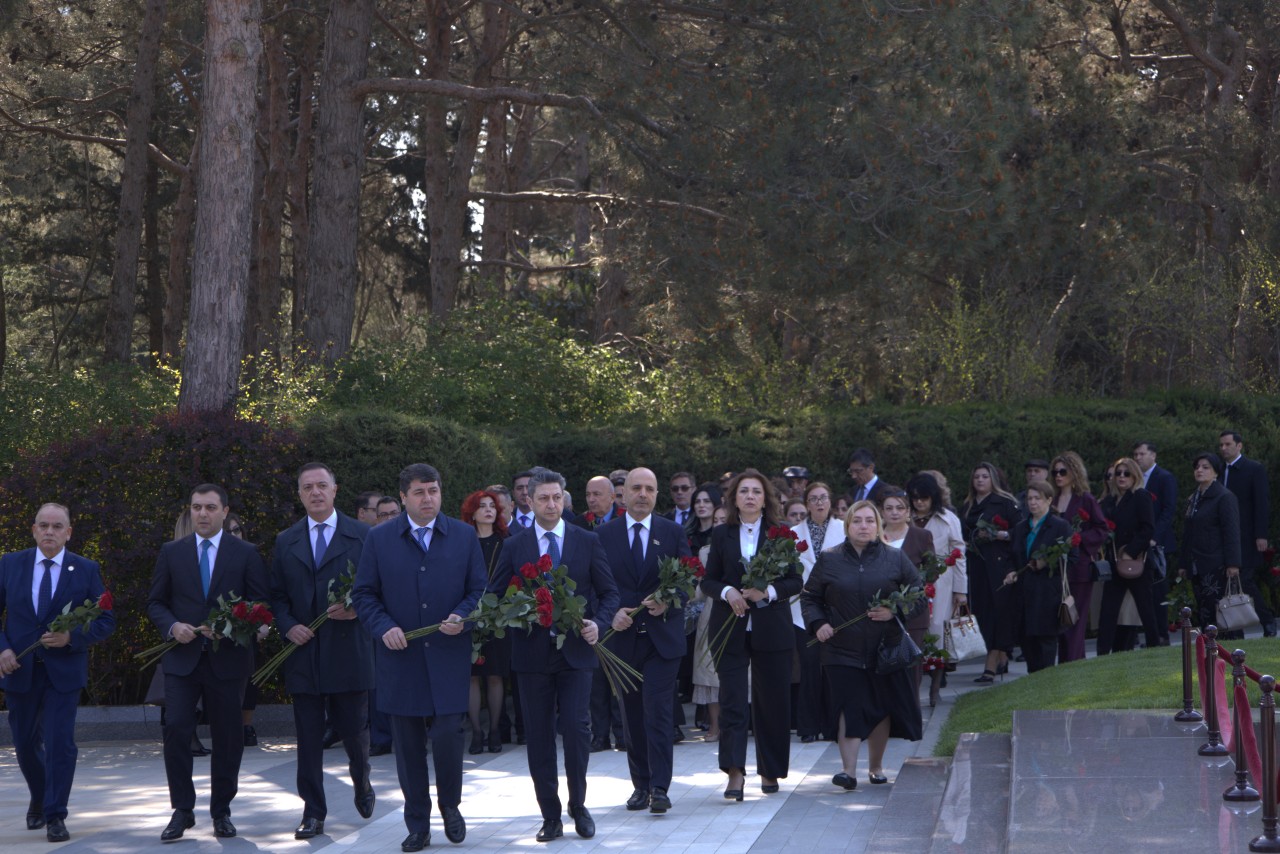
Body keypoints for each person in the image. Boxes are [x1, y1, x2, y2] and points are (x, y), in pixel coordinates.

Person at [352, 463, 486, 852]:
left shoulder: (462, 535)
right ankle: (417, 823)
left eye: (433, 490)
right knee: (408, 745)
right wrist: (383, 626)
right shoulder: (379, 539)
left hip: (448, 653)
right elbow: (364, 594)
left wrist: (463, 616)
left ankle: (450, 806)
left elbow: (479, 588)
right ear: (404, 498)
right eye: (419, 492)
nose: (428, 498)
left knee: (447, 735)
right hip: (401, 658)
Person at [492, 467, 618, 843]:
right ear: (528, 500)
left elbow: (610, 593)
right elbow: (495, 596)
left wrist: (599, 623)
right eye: (543, 498)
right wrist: (520, 610)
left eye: (556, 497)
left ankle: (578, 805)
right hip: (531, 655)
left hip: (577, 652)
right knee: (539, 735)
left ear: (565, 499)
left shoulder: (586, 539)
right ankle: (550, 814)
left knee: (578, 731)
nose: (551, 504)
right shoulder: (515, 545)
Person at [147, 484, 269, 841]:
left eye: (210, 507)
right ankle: (182, 809)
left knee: (229, 737)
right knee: (177, 729)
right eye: (196, 507)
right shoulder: (172, 552)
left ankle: (222, 811)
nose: (202, 513)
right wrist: (172, 627)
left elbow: (260, 604)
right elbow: (156, 602)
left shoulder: (245, 553)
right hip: (182, 660)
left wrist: (233, 627)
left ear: (224, 511)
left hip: (228, 660)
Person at [268, 462, 375, 840]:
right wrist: (287, 625)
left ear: (335, 489)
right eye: (307, 487)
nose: (315, 492)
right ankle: (313, 811)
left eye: (322, 486)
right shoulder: (286, 540)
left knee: (353, 733)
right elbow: (276, 596)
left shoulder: (362, 535)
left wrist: (356, 609)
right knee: (308, 739)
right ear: (299, 494)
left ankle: (362, 779)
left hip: (348, 652)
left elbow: (377, 591)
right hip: (305, 653)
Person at [0, 503, 115, 843]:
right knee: (23, 742)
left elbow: (106, 619)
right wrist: (3, 648)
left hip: (64, 671)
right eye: (43, 525)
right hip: (19, 668)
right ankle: (41, 793)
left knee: (60, 743)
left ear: (69, 532)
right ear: (34, 529)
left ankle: (55, 814)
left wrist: (71, 637)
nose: (49, 531)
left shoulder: (85, 569)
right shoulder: (9, 564)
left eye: (57, 526)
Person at [801, 501, 925, 789]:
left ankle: (876, 767)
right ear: (847, 525)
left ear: (878, 526)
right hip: (841, 648)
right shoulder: (829, 559)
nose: (864, 526)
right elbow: (810, 597)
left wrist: (894, 611)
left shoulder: (895, 558)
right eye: (857, 521)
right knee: (849, 704)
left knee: (879, 707)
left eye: (870, 521)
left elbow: (918, 595)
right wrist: (819, 623)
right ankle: (848, 772)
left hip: (884, 648)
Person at [700, 468, 802, 801]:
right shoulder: (721, 535)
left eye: (756, 491)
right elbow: (708, 580)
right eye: (743, 491)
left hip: (771, 626)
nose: (749, 496)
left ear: (765, 498)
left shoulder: (780, 534)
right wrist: (729, 591)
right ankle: (734, 772)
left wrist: (768, 591)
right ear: (734, 498)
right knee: (731, 700)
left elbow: (794, 581)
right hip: (729, 627)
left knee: (772, 701)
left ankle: (770, 769)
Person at [600, 468, 692, 814]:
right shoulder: (604, 535)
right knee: (632, 716)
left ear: (656, 494)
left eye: (649, 489)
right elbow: (596, 584)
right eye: (636, 488)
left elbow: (688, 580)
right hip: (623, 641)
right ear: (622, 493)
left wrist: (670, 600)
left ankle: (660, 787)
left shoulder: (672, 532)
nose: (642, 494)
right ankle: (640, 785)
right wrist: (610, 614)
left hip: (662, 640)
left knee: (657, 712)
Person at [792, 481, 845, 743]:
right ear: (806, 503)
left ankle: (834, 726)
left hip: (838, 609)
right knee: (810, 667)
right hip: (803, 610)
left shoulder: (844, 530)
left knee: (834, 668)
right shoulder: (792, 533)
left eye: (824, 497)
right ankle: (808, 726)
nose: (819, 503)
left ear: (831, 501)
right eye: (813, 499)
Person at [959, 463, 1022, 683]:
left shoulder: (1005, 503)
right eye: (976, 476)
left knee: (999, 613)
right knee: (983, 613)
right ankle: (1000, 656)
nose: (980, 480)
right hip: (975, 566)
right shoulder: (967, 505)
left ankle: (991, 665)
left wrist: (1000, 535)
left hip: (999, 565)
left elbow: (1021, 531)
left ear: (993, 479)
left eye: (985, 476)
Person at [460, 489, 510, 755]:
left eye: (493, 506)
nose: (489, 510)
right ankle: (476, 733)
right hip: (469, 615)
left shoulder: (506, 541)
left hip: (498, 617)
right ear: (472, 512)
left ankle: (494, 731)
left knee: (494, 675)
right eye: (482, 506)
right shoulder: (463, 541)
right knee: (471, 677)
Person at [1005, 481, 1074, 673]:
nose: (1033, 503)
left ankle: (1047, 683)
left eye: (1038, 498)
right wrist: (1011, 571)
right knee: (1028, 642)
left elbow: (1072, 558)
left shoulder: (1060, 526)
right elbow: (1012, 556)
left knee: (1046, 641)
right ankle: (1033, 681)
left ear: (1049, 500)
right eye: (1029, 498)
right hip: (1024, 594)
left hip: (1047, 593)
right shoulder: (1020, 528)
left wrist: (1047, 563)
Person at [878, 487, 937, 704]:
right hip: (880, 610)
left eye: (900, 508)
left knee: (911, 664)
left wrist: (911, 590)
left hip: (912, 612)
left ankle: (910, 711)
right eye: (889, 508)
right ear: (881, 512)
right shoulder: (874, 536)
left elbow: (932, 572)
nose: (894, 512)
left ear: (908, 512)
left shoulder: (921, 536)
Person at [1096, 457, 1160, 655]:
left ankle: (1154, 647)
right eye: (1117, 473)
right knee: (1108, 609)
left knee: (1145, 607)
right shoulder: (1109, 500)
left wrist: (1129, 551)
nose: (1121, 477)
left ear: (1135, 476)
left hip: (1136, 560)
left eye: (1126, 473)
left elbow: (1148, 528)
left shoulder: (1141, 496)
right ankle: (1102, 653)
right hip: (1114, 561)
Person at [1049, 452, 1109, 662]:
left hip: (1079, 568)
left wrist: (1078, 538)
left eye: (1063, 471)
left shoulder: (1085, 499)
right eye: (1055, 472)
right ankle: (1070, 661)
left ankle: (1072, 661)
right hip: (1056, 568)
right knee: (1061, 618)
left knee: (1075, 618)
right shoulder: (1052, 499)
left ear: (1074, 473)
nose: (1058, 476)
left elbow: (1101, 529)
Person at [1218, 431, 1273, 636]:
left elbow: (1261, 503)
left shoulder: (1253, 469)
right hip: (1225, 536)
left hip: (1247, 535)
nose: (1224, 448)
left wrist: (1261, 534)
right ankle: (1235, 628)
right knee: (1230, 582)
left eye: (1228, 444)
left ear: (1239, 445)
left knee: (1246, 580)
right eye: (1221, 445)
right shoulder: (1219, 469)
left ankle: (1266, 620)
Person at [1181, 452, 1242, 631]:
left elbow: (1231, 532)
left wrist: (1233, 563)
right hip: (1197, 562)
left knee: (1219, 608)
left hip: (1217, 562)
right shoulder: (1194, 498)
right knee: (1203, 607)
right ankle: (1208, 647)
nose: (1200, 470)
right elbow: (1188, 532)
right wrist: (1184, 562)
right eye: (1197, 467)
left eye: (1205, 467)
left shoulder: (1224, 497)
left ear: (1216, 472)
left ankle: (1226, 644)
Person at [906, 474, 968, 649]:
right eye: (915, 498)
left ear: (933, 496)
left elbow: (959, 555)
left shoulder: (948, 519)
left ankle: (939, 669)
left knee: (938, 626)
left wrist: (960, 590)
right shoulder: (902, 517)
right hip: (908, 581)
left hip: (941, 583)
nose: (919, 502)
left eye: (924, 498)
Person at [1133, 441, 1177, 644]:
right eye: (1136, 454)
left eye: (1142, 454)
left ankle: (1162, 634)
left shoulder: (1164, 478)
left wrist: (1154, 537)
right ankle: (1150, 633)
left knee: (1158, 590)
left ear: (1153, 455)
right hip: (1140, 544)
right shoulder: (1134, 479)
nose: (1138, 458)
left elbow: (1168, 510)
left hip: (1157, 544)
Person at [689, 484, 723, 740]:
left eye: (724, 519)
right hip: (711, 615)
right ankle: (714, 726)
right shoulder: (704, 551)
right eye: (717, 521)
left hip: (741, 614)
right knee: (709, 675)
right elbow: (699, 591)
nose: (720, 524)